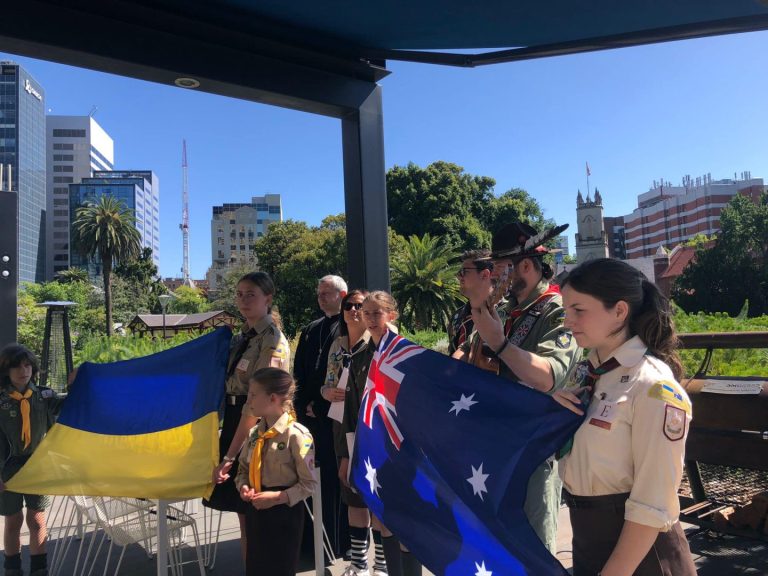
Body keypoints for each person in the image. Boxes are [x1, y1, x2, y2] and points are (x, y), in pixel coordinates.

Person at [553, 258, 696, 576]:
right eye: (566, 310)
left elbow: (654, 501)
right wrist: (550, 413)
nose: (567, 321)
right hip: (589, 539)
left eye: (578, 310)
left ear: (619, 311)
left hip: (639, 555)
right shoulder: (589, 374)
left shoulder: (653, 386)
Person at [456, 221, 581, 554]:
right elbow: (468, 357)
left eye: (499, 269)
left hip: (533, 449)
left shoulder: (556, 312)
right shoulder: (501, 309)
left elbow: (549, 375)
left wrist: (499, 344)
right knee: (496, 546)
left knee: (532, 547)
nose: (493, 277)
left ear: (524, 265)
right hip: (492, 444)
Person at [206, 271, 290, 560]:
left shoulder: (272, 341)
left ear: (268, 298)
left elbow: (256, 405)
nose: (243, 300)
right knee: (244, 512)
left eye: (251, 294)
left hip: (256, 428)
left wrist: (230, 455)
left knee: (255, 512)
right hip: (234, 420)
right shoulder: (241, 336)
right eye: (239, 294)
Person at [338, 291, 421, 576]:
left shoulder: (401, 350)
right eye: (366, 312)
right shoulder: (359, 355)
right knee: (383, 517)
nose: (369, 318)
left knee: (404, 519)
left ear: (392, 315)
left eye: (377, 313)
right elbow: (350, 404)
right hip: (371, 444)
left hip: (398, 445)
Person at [322, 290, 388, 576]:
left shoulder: (377, 345)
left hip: (374, 428)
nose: (353, 310)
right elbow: (328, 382)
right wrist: (326, 391)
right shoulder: (337, 344)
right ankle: (359, 562)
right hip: (343, 424)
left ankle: (382, 563)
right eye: (348, 305)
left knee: (377, 493)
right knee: (351, 490)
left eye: (360, 306)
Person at [235, 367, 316, 576]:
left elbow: (309, 484)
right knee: (256, 568)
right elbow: (242, 469)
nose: (249, 400)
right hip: (256, 510)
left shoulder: (297, 436)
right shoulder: (255, 434)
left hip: (284, 515)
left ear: (272, 398)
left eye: (253, 395)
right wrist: (243, 486)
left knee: (280, 569)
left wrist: (279, 497)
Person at [294, 274, 350, 557]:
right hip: (309, 416)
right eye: (319, 293)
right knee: (310, 475)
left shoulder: (349, 327)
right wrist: (304, 401)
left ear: (342, 295)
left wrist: (320, 403)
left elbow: (342, 377)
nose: (320, 297)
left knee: (333, 479)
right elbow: (300, 371)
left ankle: (337, 544)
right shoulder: (310, 328)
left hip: (333, 417)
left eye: (326, 293)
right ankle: (311, 542)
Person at [0, 344, 65, 576]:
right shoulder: (1, 400)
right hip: (8, 469)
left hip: (38, 465)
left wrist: (80, 382)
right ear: (6, 370)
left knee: (37, 518)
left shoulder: (43, 396)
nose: (23, 370)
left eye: (27, 365)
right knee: (13, 520)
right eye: (16, 366)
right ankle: (12, 569)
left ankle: (39, 569)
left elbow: (71, 406)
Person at [447, 249, 492, 355]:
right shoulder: (457, 317)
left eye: (464, 272)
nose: (459, 277)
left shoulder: (506, 315)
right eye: (459, 272)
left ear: (485, 275)